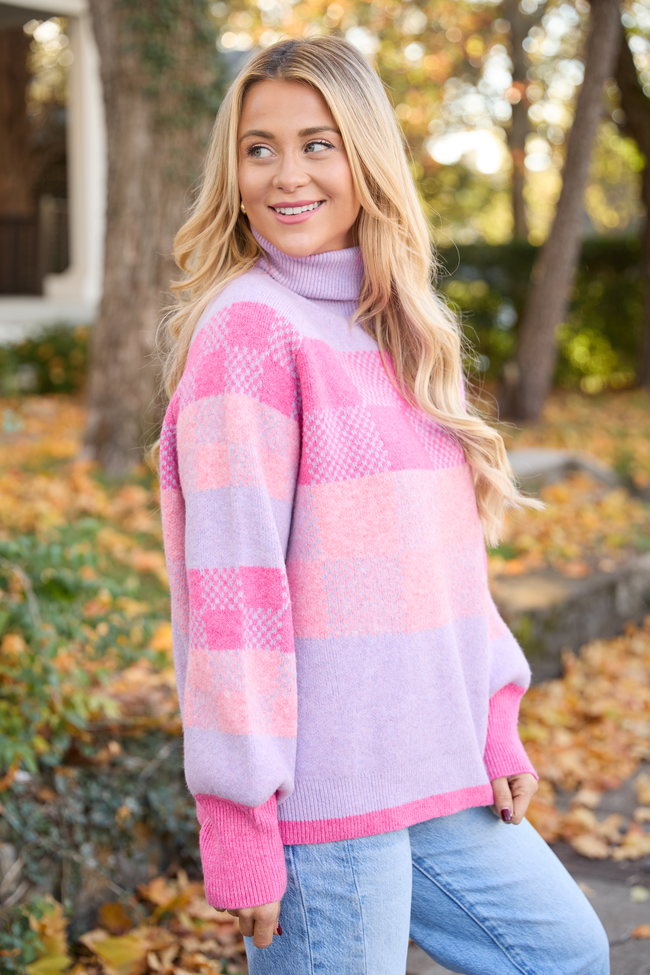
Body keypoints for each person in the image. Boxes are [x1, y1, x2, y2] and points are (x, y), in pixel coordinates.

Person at [159, 35, 609, 975]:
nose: (287, 175)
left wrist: (493, 719)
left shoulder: (394, 325)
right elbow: (233, 599)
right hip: (321, 798)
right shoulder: (250, 333)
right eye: (259, 148)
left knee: (564, 953)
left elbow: (447, 563)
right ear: (233, 171)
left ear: (366, 156)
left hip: (435, 762)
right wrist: (242, 825)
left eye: (317, 144)